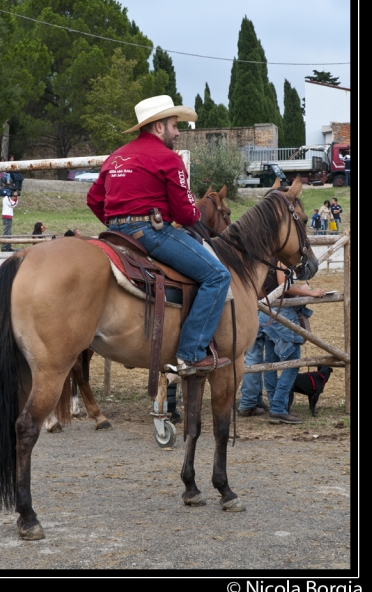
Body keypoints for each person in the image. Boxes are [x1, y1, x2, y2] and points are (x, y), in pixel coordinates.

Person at [87, 94, 232, 377]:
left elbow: (94, 199)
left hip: (114, 235)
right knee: (218, 276)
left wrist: (117, 221)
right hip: (150, 234)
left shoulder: (115, 157)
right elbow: (187, 215)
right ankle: (190, 354)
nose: (178, 133)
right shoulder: (168, 159)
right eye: (175, 126)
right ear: (158, 127)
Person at [238, 258, 326, 423]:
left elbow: (261, 290)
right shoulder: (281, 259)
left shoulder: (262, 258)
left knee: (271, 363)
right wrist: (308, 291)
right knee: (292, 364)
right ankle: (278, 408)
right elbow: (284, 286)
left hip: (266, 312)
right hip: (282, 312)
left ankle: (274, 404)